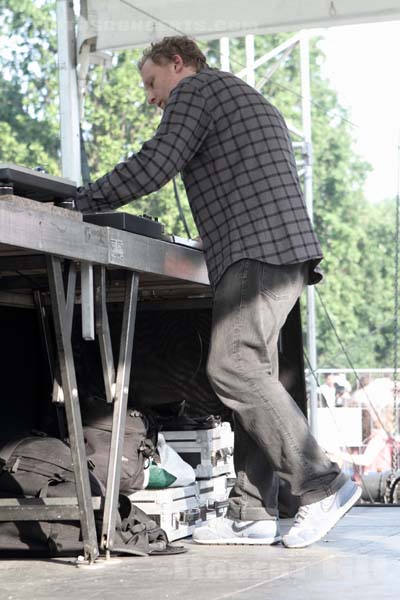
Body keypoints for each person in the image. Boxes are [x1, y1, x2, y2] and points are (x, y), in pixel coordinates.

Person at [71, 36, 360, 548]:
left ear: (177, 64)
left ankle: (321, 483)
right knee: (255, 377)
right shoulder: (241, 94)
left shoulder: (196, 91)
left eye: (151, 82)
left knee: (232, 367)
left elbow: (158, 161)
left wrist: (82, 199)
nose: (150, 97)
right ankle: (252, 510)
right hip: (277, 250)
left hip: (256, 252)